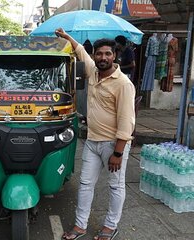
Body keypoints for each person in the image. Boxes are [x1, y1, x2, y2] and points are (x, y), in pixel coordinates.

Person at [55, 28, 135, 240]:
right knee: (85, 184)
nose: (103, 57)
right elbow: (80, 50)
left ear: (114, 56)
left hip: (113, 145)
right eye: (99, 54)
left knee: (115, 186)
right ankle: (80, 226)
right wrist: (65, 37)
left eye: (108, 54)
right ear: (95, 56)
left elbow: (127, 121)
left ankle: (110, 226)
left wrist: (117, 153)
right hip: (92, 141)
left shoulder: (124, 84)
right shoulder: (93, 72)